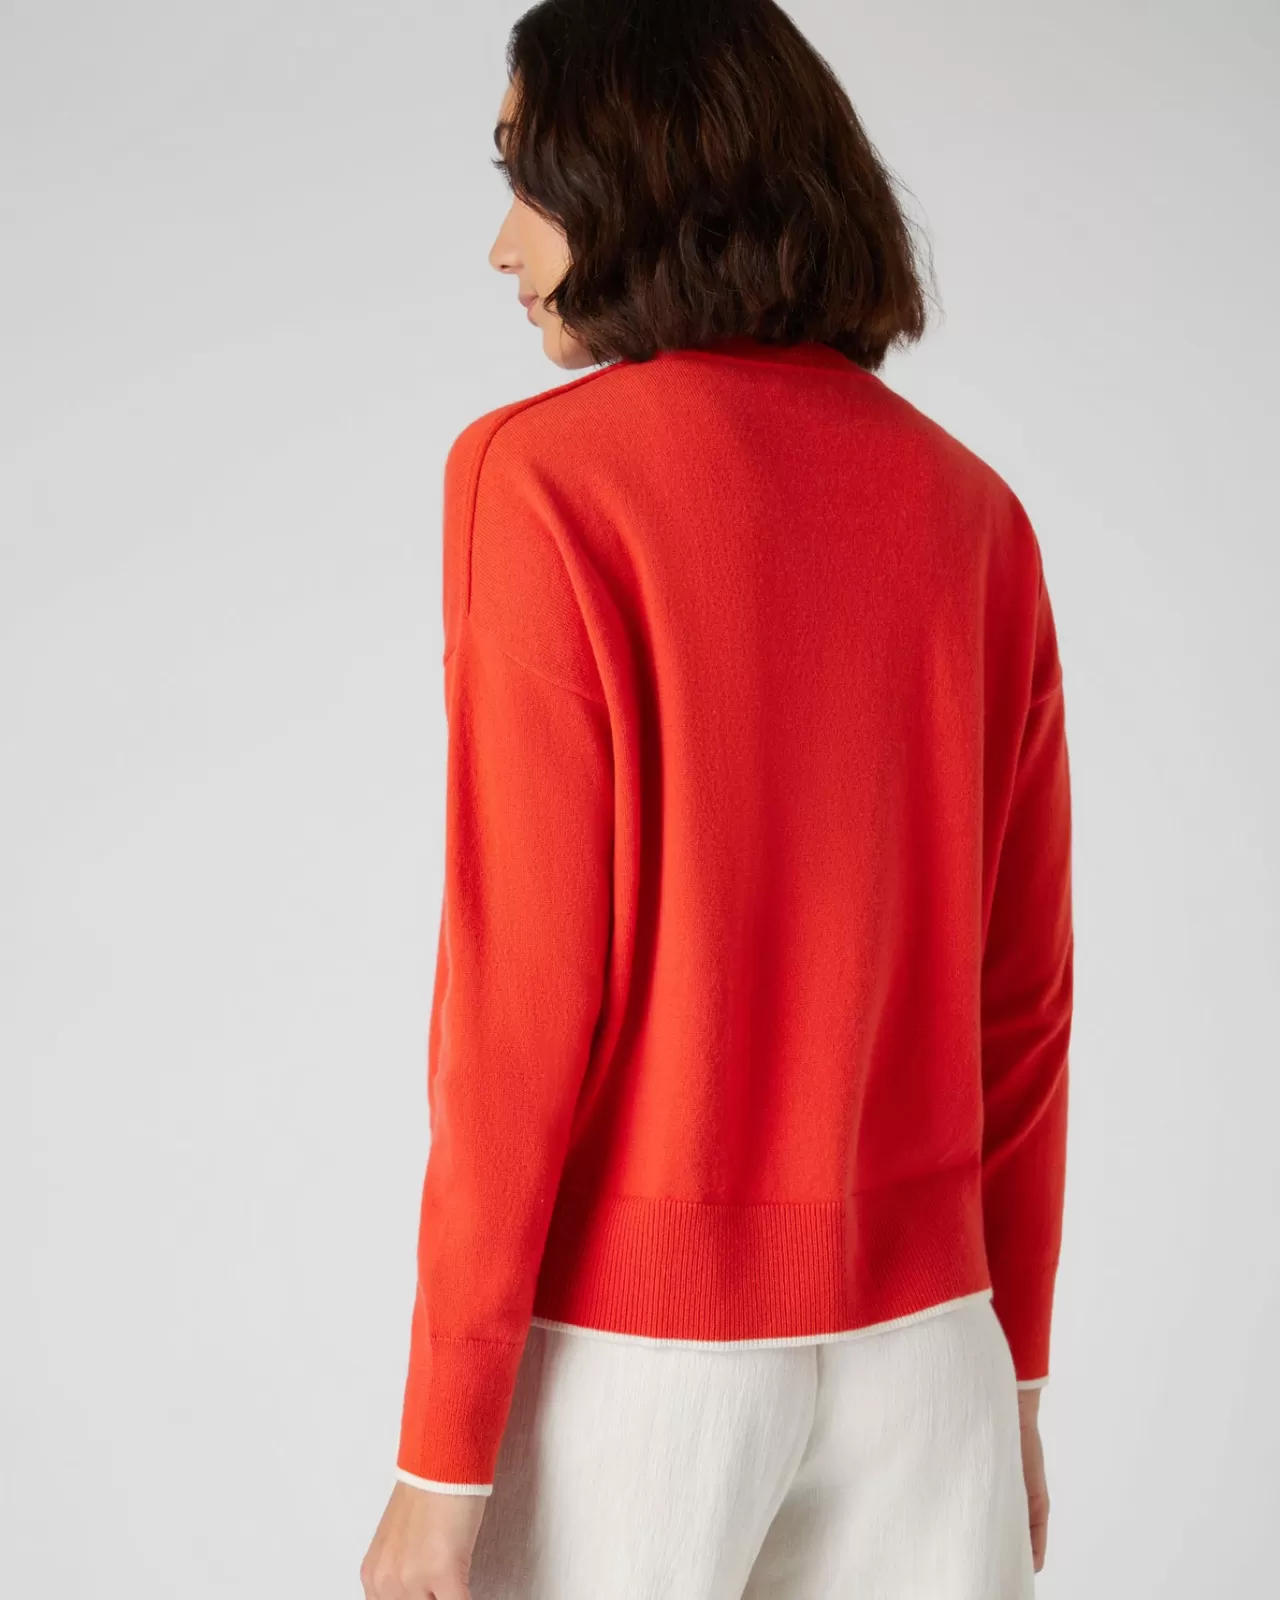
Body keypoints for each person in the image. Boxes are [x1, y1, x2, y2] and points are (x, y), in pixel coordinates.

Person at [361, 2, 1072, 1596]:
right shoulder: (976, 515)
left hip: (638, 1368)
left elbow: (518, 1008)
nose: (501, 243)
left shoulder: (539, 482)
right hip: (933, 1357)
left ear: (635, 173)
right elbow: (1023, 1005)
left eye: (526, 177)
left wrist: (440, 1457)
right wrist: (1015, 1376)